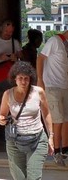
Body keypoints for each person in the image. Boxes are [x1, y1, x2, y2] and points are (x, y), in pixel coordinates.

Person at [0, 60, 54, 180]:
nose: (23, 81)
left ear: (30, 78)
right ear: (15, 79)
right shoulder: (8, 94)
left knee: (33, 177)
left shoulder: (39, 92)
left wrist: (51, 137)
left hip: (37, 140)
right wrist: (1, 119)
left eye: (26, 78)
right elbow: (1, 115)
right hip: (15, 142)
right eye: (20, 78)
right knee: (19, 177)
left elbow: (46, 113)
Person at [36, 30, 68, 166]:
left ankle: (65, 151)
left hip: (65, 86)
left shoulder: (65, 45)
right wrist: (39, 79)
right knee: (58, 120)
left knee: (66, 120)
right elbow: (40, 58)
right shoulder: (55, 41)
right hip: (52, 86)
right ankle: (56, 152)